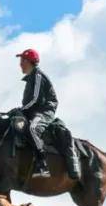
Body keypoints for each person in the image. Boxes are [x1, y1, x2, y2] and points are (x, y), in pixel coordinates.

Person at [12, 49, 82, 183]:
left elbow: (35, 99)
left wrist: (21, 109)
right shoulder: (30, 78)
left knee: (33, 129)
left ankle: (42, 165)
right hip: (34, 110)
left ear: (30, 62)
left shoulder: (38, 76)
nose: (20, 64)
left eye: (22, 61)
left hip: (44, 111)